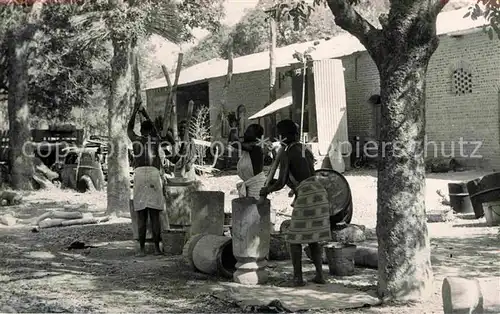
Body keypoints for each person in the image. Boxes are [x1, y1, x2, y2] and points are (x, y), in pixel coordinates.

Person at [260, 119, 330, 286]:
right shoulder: (305, 149)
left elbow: (282, 181)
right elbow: (309, 175)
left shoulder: (286, 152)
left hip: (306, 196)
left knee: (294, 239)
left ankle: (298, 278)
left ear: (283, 136)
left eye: (279, 135)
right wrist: (295, 188)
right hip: (318, 192)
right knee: (313, 238)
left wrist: (267, 189)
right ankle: (320, 275)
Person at [127, 102, 169, 257]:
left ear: (141, 130)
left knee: (141, 213)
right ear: (150, 130)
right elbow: (156, 129)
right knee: (155, 213)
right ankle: (157, 249)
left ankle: (142, 249)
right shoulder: (156, 139)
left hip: (138, 174)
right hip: (152, 173)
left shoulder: (136, 139)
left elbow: (129, 128)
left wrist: (133, 111)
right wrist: (144, 112)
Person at [232, 124, 266, 199]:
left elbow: (234, 143)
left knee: (255, 209)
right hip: (250, 185)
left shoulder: (255, 147)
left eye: (248, 132)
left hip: (256, 187)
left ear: (256, 136)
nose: (245, 133)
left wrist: (233, 127)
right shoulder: (249, 147)